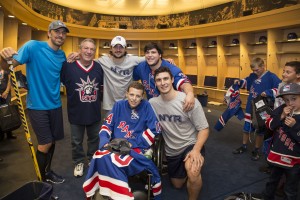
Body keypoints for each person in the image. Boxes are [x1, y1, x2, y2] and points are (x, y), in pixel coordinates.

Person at [0, 20, 69, 184]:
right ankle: (41, 180)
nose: (60, 35)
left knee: (52, 142)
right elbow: (8, 66)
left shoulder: (62, 55)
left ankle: (48, 172)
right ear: (49, 33)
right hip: (37, 105)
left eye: (63, 32)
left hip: (56, 105)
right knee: (45, 143)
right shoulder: (32, 46)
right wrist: (4, 56)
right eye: (57, 31)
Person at [83, 81, 161, 200]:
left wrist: (132, 143)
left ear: (142, 96)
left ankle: (119, 194)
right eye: (132, 95)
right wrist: (104, 143)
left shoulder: (146, 107)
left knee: (115, 161)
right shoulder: (118, 105)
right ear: (126, 94)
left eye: (138, 96)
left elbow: (154, 130)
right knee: (98, 156)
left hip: (136, 147)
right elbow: (106, 126)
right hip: (116, 145)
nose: (134, 99)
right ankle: (107, 190)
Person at [67, 36, 176, 114]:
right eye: (115, 47)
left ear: (125, 49)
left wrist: (165, 59)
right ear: (111, 48)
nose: (118, 50)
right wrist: (79, 54)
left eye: (121, 47)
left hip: (128, 102)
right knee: (110, 131)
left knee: (127, 130)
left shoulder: (133, 60)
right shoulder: (103, 60)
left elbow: (151, 58)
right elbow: (89, 59)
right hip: (109, 104)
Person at [149, 67, 209, 200]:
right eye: (159, 80)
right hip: (171, 150)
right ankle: (186, 170)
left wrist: (196, 150)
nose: (163, 82)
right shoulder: (153, 104)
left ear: (172, 80)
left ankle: (193, 172)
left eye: (166, 79)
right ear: (155, 83)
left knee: (193, 172)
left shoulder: (188, 101)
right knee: (177, 185)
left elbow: (204, 129)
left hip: (190, 144)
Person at [61, 38, 104, 177]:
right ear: (80, 49)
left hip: (94, 111)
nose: (89, 51)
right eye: (86, 48)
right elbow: (60, 81)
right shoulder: (68, 66)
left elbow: (101, 88)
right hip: (76, 112)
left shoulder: (98, 67)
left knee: (94, 139)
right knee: (76, 141)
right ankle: (79, 161)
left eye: (92, 49)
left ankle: (92, 159)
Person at [252, 83, 300, 200]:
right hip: (277, 155)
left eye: (294, 99)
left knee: (291, 188)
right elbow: (269, 125)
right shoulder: (281, 109)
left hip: (294, 160)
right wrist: (281, 116)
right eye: (286, 100)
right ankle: (266, 196)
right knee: (272, 181)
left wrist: (295, 126)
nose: (290, 103)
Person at [232, 57, 281, 161]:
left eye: (257, 70)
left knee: (260, 129)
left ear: (263, 66)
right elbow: (246, 82)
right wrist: (239, 82)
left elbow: (279, 89)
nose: (255, 72)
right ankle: (244, 146)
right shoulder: (253, 76)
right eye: (253, 70)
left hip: (263, 108)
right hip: (251, 106)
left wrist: (268, 92)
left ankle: (256, 149)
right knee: (246, 127)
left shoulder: (272, 77)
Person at [133, 42, 195, 112]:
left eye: (153, 52)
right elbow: (131, 76)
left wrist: (190, 93)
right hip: (153, 107)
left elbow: (184, 82)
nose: (150, 55)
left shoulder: (171, 68)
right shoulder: (141, 67)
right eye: (147, 52)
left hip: (171, 107)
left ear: (160, 55)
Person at [0, 68, 17, 139]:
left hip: (6, 94)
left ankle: (9, 133)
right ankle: (1, 134)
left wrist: (6, 92)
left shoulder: (6, 68)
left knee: (8, 112)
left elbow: (10, 81)